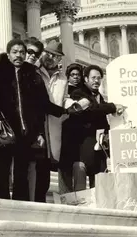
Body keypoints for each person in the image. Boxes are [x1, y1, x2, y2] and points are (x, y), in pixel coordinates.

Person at [0, 39, 73, 201]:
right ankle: (1, 201)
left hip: (26, 131)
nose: (19, 55)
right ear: (8, 54)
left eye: (22, 52)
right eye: (15, 52)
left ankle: (20, 204)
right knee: (4, 168)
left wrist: (64, 111)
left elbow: (42, 104)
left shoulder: (32, 75)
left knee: (22, 170)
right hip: (6, 128)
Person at [69, 65, 126, 191]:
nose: (96, 81)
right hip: (82, 152)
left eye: (99, 78)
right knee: (81, 192)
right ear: (85, 79)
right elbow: (90, 110)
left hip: (99, 152)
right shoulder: (78, 93)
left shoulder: (99, 96)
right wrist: (112, 107)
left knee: (101, 190)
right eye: (93, 77)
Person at [34, 41, 71, 195]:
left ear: (59, 59)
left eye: (55, 56)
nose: (50, 57)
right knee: (33, 166)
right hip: (36, 125)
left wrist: (71, 104)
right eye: (48, 53)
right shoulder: (34, 71)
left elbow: (63, 99)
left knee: (45, 173)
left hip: (53, 126)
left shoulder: (63, 79)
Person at [23, 37, 50, 202]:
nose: (33, 55)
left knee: (35, 171)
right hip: (13, 131)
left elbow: (43, 106)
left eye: (36, 53)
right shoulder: (9, 72)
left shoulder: (37, 76)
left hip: (34, 131)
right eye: (29, 51)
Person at [58, 63, 86, 193]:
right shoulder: (64, 88)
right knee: (64, 165)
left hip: (80, 132)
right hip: (65, 131)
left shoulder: (85, 90)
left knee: (79, 165)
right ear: (68, 76)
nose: (76, 77)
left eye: (78, 75)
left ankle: (80, 195)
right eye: (73, 75)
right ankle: (65, 195)